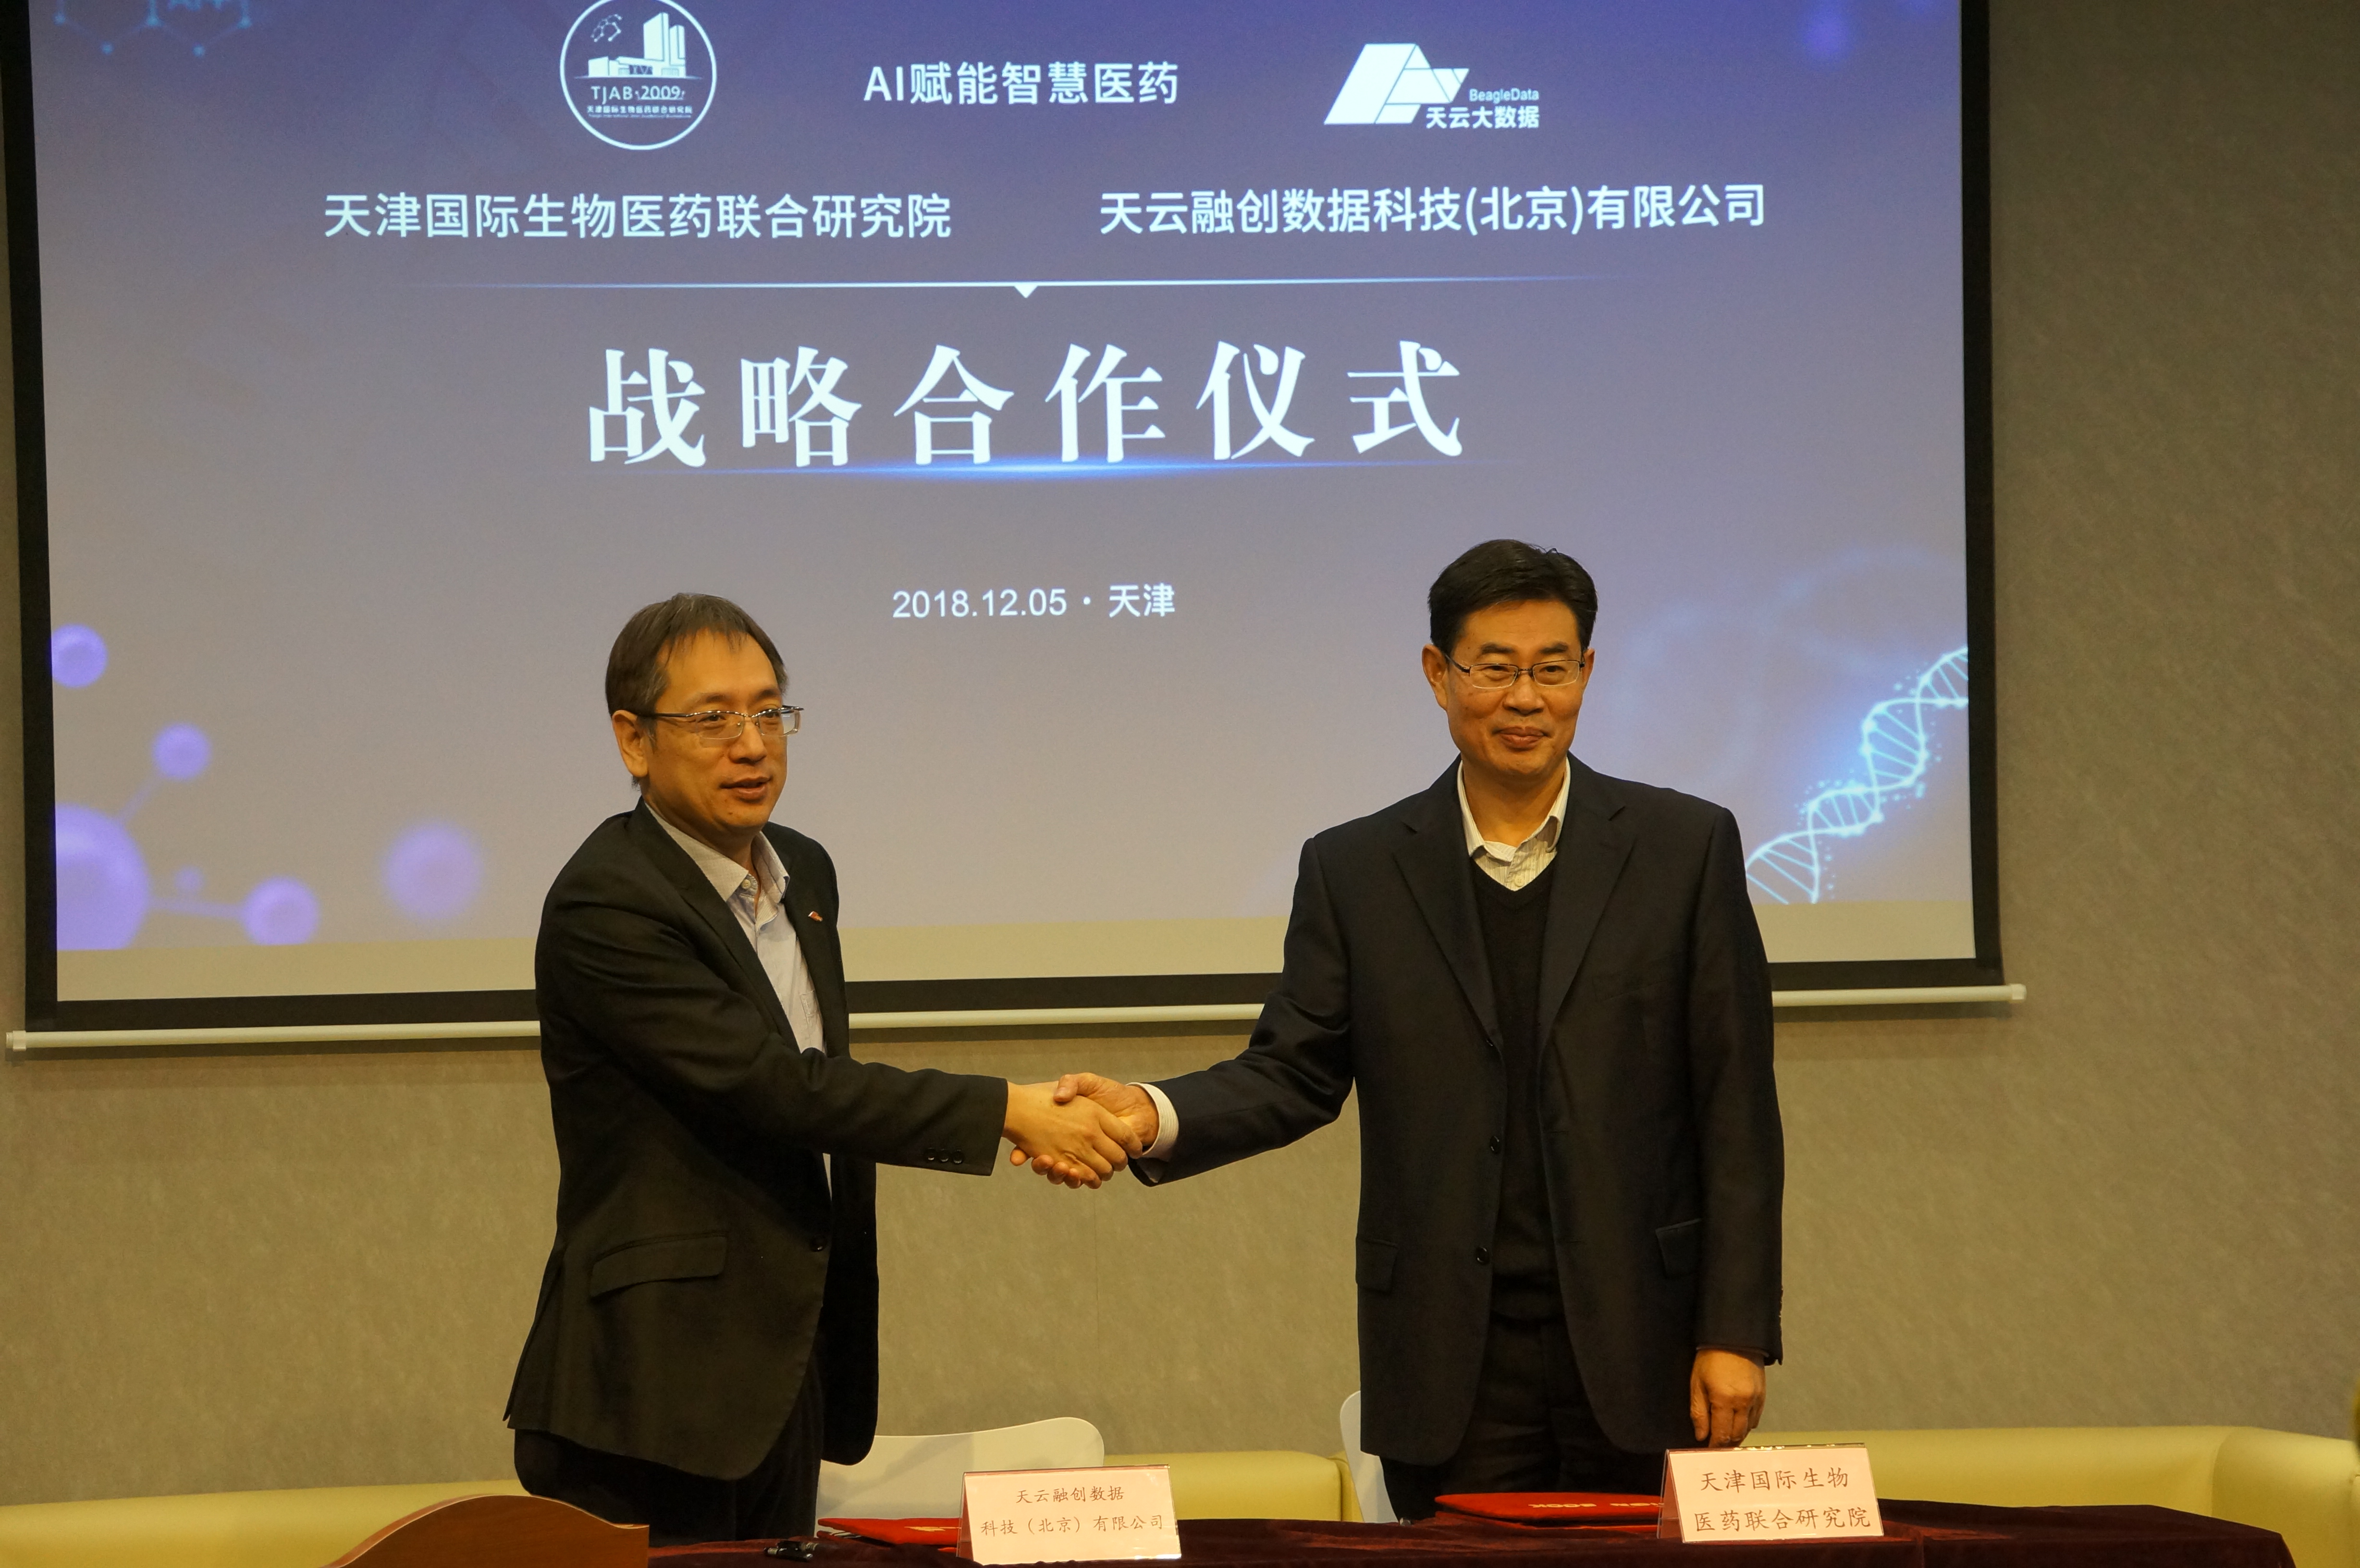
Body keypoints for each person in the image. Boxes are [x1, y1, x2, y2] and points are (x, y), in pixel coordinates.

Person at [1048, 540, 1783, 1518]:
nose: (1525, 698)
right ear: (1439, 674)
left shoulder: (1682, 849)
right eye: (1494, 668)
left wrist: (1734, 1329)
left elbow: (1735, 1108)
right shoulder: (1356, 870)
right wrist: (1147, 1114)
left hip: (1642, 1345)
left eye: (1553, 669)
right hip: (1449, 1360)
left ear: (1588, 673)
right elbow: (1292, 1072)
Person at [505, 594, 1139, 1547]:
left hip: (781, 1364)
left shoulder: (802, 872)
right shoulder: (609, 901)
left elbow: (816, 1088)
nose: (752, 745)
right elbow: (781, 1089)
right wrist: (1008, 1109)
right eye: (712, 718)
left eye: (769, 712)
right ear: (634, 740)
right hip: (654, 1383)